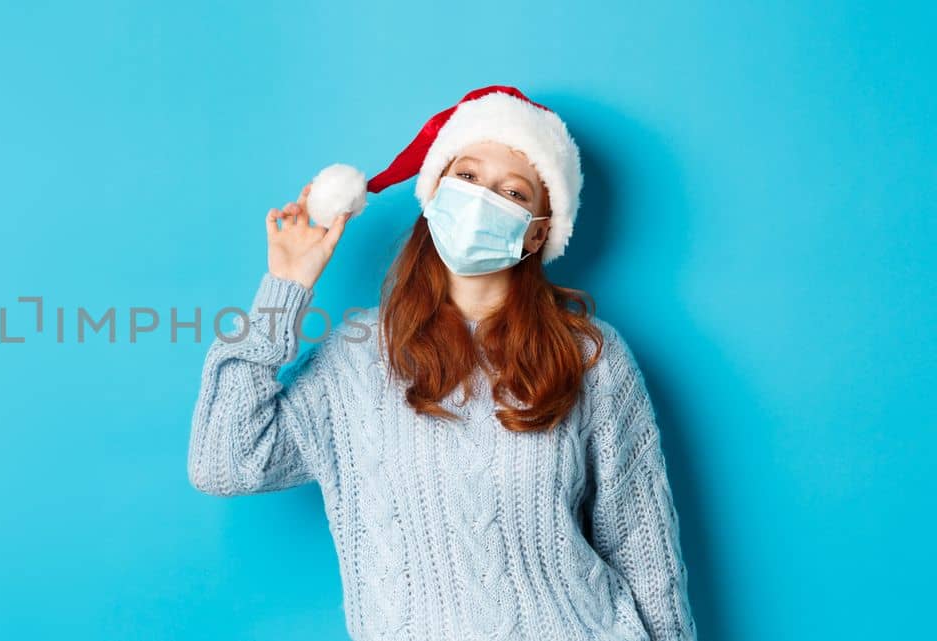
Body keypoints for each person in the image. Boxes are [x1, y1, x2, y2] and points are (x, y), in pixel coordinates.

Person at [187, 86, 696, 641]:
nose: (482, 200)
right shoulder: (356, 359)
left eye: (512, 191)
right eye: (469, 177)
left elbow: (646, 554)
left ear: (539, 231)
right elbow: (225, 462)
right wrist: (283, 290)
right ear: (433, 194)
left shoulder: (589, 354)